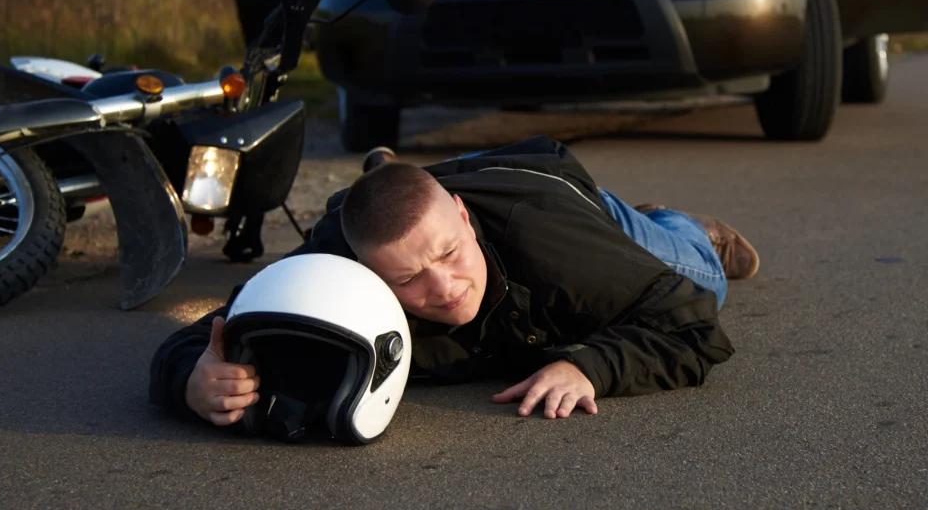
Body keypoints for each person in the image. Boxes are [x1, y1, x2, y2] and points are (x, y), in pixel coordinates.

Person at [149, 135, 755, 427]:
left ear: (462, 218)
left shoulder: (551, 245)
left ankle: (679, 222)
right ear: (364, 272)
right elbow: (206, 339)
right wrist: (192, 384)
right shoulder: (331, 271)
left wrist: (591, 366)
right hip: (426, 198)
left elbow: (693, 320)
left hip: (561, 203)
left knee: (698, 271)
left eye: (449, 253)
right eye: (411, 277)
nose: (445, 288)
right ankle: (390, 175)